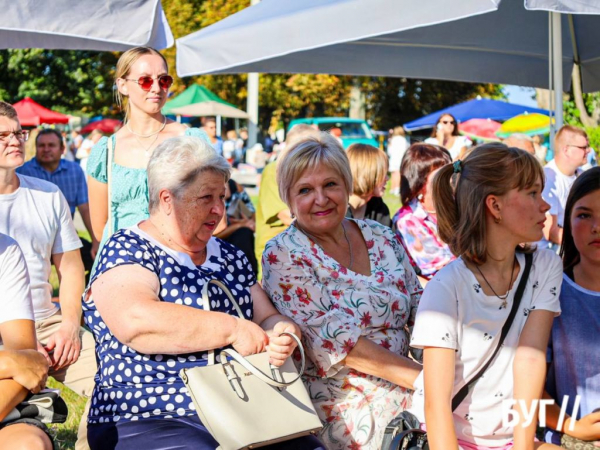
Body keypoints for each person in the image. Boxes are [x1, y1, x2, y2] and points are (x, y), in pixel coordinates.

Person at [83, 135, 323, 450]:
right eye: (205, 198)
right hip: (149, 413)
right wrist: (233, 329)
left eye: (221, 197)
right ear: (167, 199)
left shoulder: (229, 255)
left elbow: (266, 316)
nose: (218, 210)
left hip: (243, 405)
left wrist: (281, 332)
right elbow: (135, 321)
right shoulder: (129, 247)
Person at [262, 132, 423, 450]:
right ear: (288, 198)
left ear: (347, 185)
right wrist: (428, 381)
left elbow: (420, 305)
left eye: (330, 185)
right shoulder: (284, 253)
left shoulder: (381, 236)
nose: (320, 199)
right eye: (305, 190)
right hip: (346, 407)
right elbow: (339, 345)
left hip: (413, 387)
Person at [409, 143, 562, 450]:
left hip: (513, 438)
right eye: (533, 193)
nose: (545, 206)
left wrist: (522, 447)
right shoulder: (446, 287)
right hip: (451, 438)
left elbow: (529, 361)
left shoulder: (545, 266)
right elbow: (436, 409)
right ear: (495, 206)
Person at [0, 101, 96, 450]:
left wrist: (70, 324)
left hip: (48, 325)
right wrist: (23, 351)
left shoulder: (47, 195)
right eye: (3, 135)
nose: (15, 141)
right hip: (6, 337)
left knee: (115, 378)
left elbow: (70, 266)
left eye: (18, 133)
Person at [87, 46, 208, 274]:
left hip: (178, 263)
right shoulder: (106, 150)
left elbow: (210, 206)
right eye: (144, 80)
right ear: (123, 85)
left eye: (164, 80)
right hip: (121, 266)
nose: (156, 88)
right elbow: (100, 225)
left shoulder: (191, 140)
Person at [544, 166, 600, 447]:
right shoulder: (548, 293)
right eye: (584, 215)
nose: (596, 227)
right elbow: (524, 393)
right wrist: (573, 427)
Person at [18, 128, 99, 277]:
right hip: (34, 239)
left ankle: (86, 298)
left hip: (65, 236)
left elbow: (85, 208)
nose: (46, 149)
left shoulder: (75, 170)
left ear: (62, 148)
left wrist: (95, 241)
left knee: (97, 260)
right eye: (42, 146)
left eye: (51, 145)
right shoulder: (23, 172)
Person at [0, 232, 52, 449]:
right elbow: (16, 362)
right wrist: (7, 363)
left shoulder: (6, 250)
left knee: (29, 446)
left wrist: (13, 363)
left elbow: (28, 365)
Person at [254, 124, 319, 268]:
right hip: (278, 246)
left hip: (307, 241)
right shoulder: (274, 170)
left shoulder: (309, 171)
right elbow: (285, 216)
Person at [392, 144, 455, 283]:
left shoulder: (457, 204)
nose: (449, 178)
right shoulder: (407, 219)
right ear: (420, 181)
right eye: (442, 172)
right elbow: (438, 267)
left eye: (450, 170)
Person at [541, 125, 591, 250]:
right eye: (583, 147)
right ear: (566, 150)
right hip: (555, 253)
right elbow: (550, 231)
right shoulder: (548, 179)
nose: (588, 150)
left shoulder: (581, 174)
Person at [215, 177, 258, 273]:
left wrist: (245, 223)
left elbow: (252, 220)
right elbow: (214, 235)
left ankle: (249, 275)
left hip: (238, 239)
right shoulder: (207, 194)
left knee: (244, 233)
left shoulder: (235, 187)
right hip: (216, 243)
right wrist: (239, 225)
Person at [346, 143, 392, 227]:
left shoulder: (379, 208)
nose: (387, 178)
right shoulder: (336, 212)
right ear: (366, 174)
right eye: (383, 173)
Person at [388, 126, 409, 195]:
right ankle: (397, 188)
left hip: (393, 158)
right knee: (398, 174)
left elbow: (389, 151)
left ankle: (392, 188)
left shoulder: (392, 139)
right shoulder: (404, 140)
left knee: (393, 174)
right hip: (400, 158)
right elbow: (406, 150)